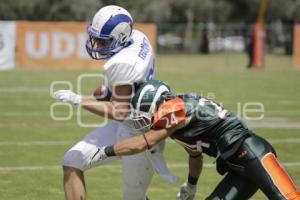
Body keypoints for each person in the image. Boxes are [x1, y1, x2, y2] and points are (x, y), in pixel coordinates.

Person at [93, 80, 300, 200]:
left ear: (158, 106)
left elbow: (143, 142)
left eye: (145, 112)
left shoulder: (176, 110)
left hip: (252, 154)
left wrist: (105, 151)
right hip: (237, 166)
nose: (142, 118)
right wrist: (192, 184)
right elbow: (195, 154)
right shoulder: (172, 111)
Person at [53, 5, 175, 200]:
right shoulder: (138, 37)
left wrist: (77, 99)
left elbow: (119, 111)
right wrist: (109, 92)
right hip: (129, 121)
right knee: (72, 160)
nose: (98, 45)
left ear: (121, 37)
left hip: (140, 133)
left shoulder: (121, 64)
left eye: (104, 41)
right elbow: (125, 94)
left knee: (133, 197)